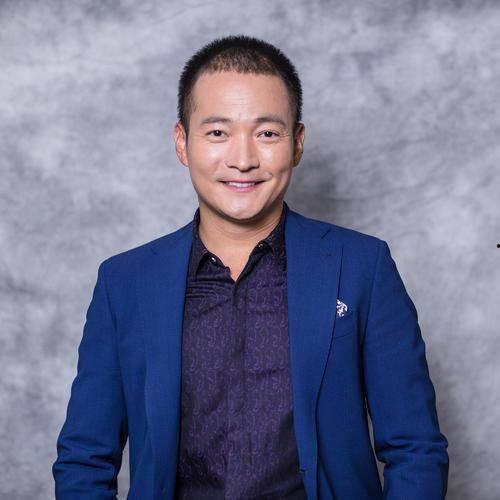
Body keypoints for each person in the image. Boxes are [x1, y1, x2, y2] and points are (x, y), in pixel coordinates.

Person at [52, 34, 449, 499]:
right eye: (217, 133)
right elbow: (85, 457)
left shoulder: (362, 267)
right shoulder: (125, 282)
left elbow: (415, 449)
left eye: (267, 133)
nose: (242, 160)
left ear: (297, 143)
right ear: (182, 142)